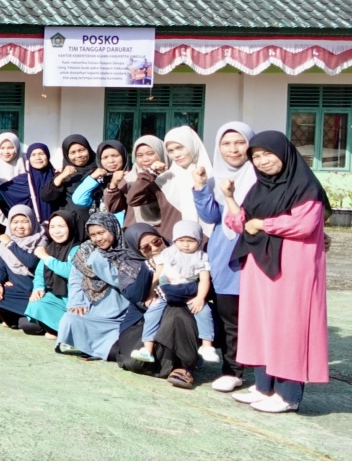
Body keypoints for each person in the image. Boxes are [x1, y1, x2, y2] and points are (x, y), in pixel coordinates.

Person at [221, 131, 328, 414]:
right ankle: (264, 386)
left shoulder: (306, 187)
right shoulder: (259, 189)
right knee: (259, 323)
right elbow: (240, 223)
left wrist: (264, 225)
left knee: (288, 326)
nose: (262, 161)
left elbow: (304, 225)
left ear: (284, 154)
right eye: (256, 156)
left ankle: (288, 395)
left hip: (293, 268)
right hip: (259, 264)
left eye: (267, 154)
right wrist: (230, 198)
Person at [195, 121, 254, 393]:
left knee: (257, 315)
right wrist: (200, 188)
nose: (233, 149)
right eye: (226, 143)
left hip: (254, 254)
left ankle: (266, 371)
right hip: (224, 256)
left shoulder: (260, 176)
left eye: (240, 142)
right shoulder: (215, 177)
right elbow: (209, 216)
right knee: (231, 318)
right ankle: (233, 370)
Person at [56, 212, 149, 360]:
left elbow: (122, 282)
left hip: (121, 315)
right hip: (93, 312)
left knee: (118, 351)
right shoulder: (86, 250)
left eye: (101, 232)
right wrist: (76, 302)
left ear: (112, 229)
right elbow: (75, 278)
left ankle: (91, 347)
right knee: (70, 319)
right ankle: (86, 345)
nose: (98, 238)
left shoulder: (128, 251)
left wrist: (99, 261)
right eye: (93, 235)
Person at [131, 219, 220, 365]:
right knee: (152, 312)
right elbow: (158, 273)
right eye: (181, 240)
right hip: (166, 290)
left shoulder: (201, 257)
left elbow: (204, 280)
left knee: (204, 312)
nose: (185, 244)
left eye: (190, 241)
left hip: (188, 292)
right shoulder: (168, 254)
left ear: (198, 240)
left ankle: (207, 345)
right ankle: (147, 348)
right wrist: (152, 291)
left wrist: (200, 297)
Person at [27, 208, 86, 336]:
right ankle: (59, 330)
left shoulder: (78, 249)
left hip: (76, 302)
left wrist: (46, 257)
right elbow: (39, 273)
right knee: (34, 307)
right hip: (57, 299)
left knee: (30, 324)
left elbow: (70, 271)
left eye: (61, 226)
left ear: (70, 227)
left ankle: (66, 331)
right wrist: (38, 288)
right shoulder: (50, 247)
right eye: (52, 227)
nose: (56, 231)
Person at [0, 205, 44, 329]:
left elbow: (31, 262)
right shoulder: (6, 241)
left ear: (32, 221)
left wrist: (11, 244)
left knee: (29, 326)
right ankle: (19, 317)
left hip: (34, 291)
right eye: (15, 222)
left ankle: (28, 318)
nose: (20, 226)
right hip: (16, 288)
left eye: (25, 221)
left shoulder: (41, 240)